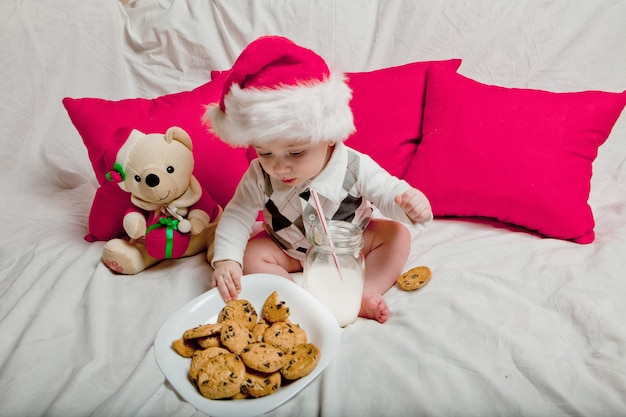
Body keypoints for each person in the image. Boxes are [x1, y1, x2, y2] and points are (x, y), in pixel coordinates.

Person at [203, 36, 432, 323]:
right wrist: (227, 260)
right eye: (265, 152)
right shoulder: (259, 175)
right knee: (252, 253)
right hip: (288, 249)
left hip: (351, 247)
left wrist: (410, 203)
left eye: (296, 152)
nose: (279, 166)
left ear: (327, 135)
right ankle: (294, 298)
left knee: (397, 237)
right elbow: (237, 214)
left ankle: (362, 292)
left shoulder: (354, 166)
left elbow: (389, 192)